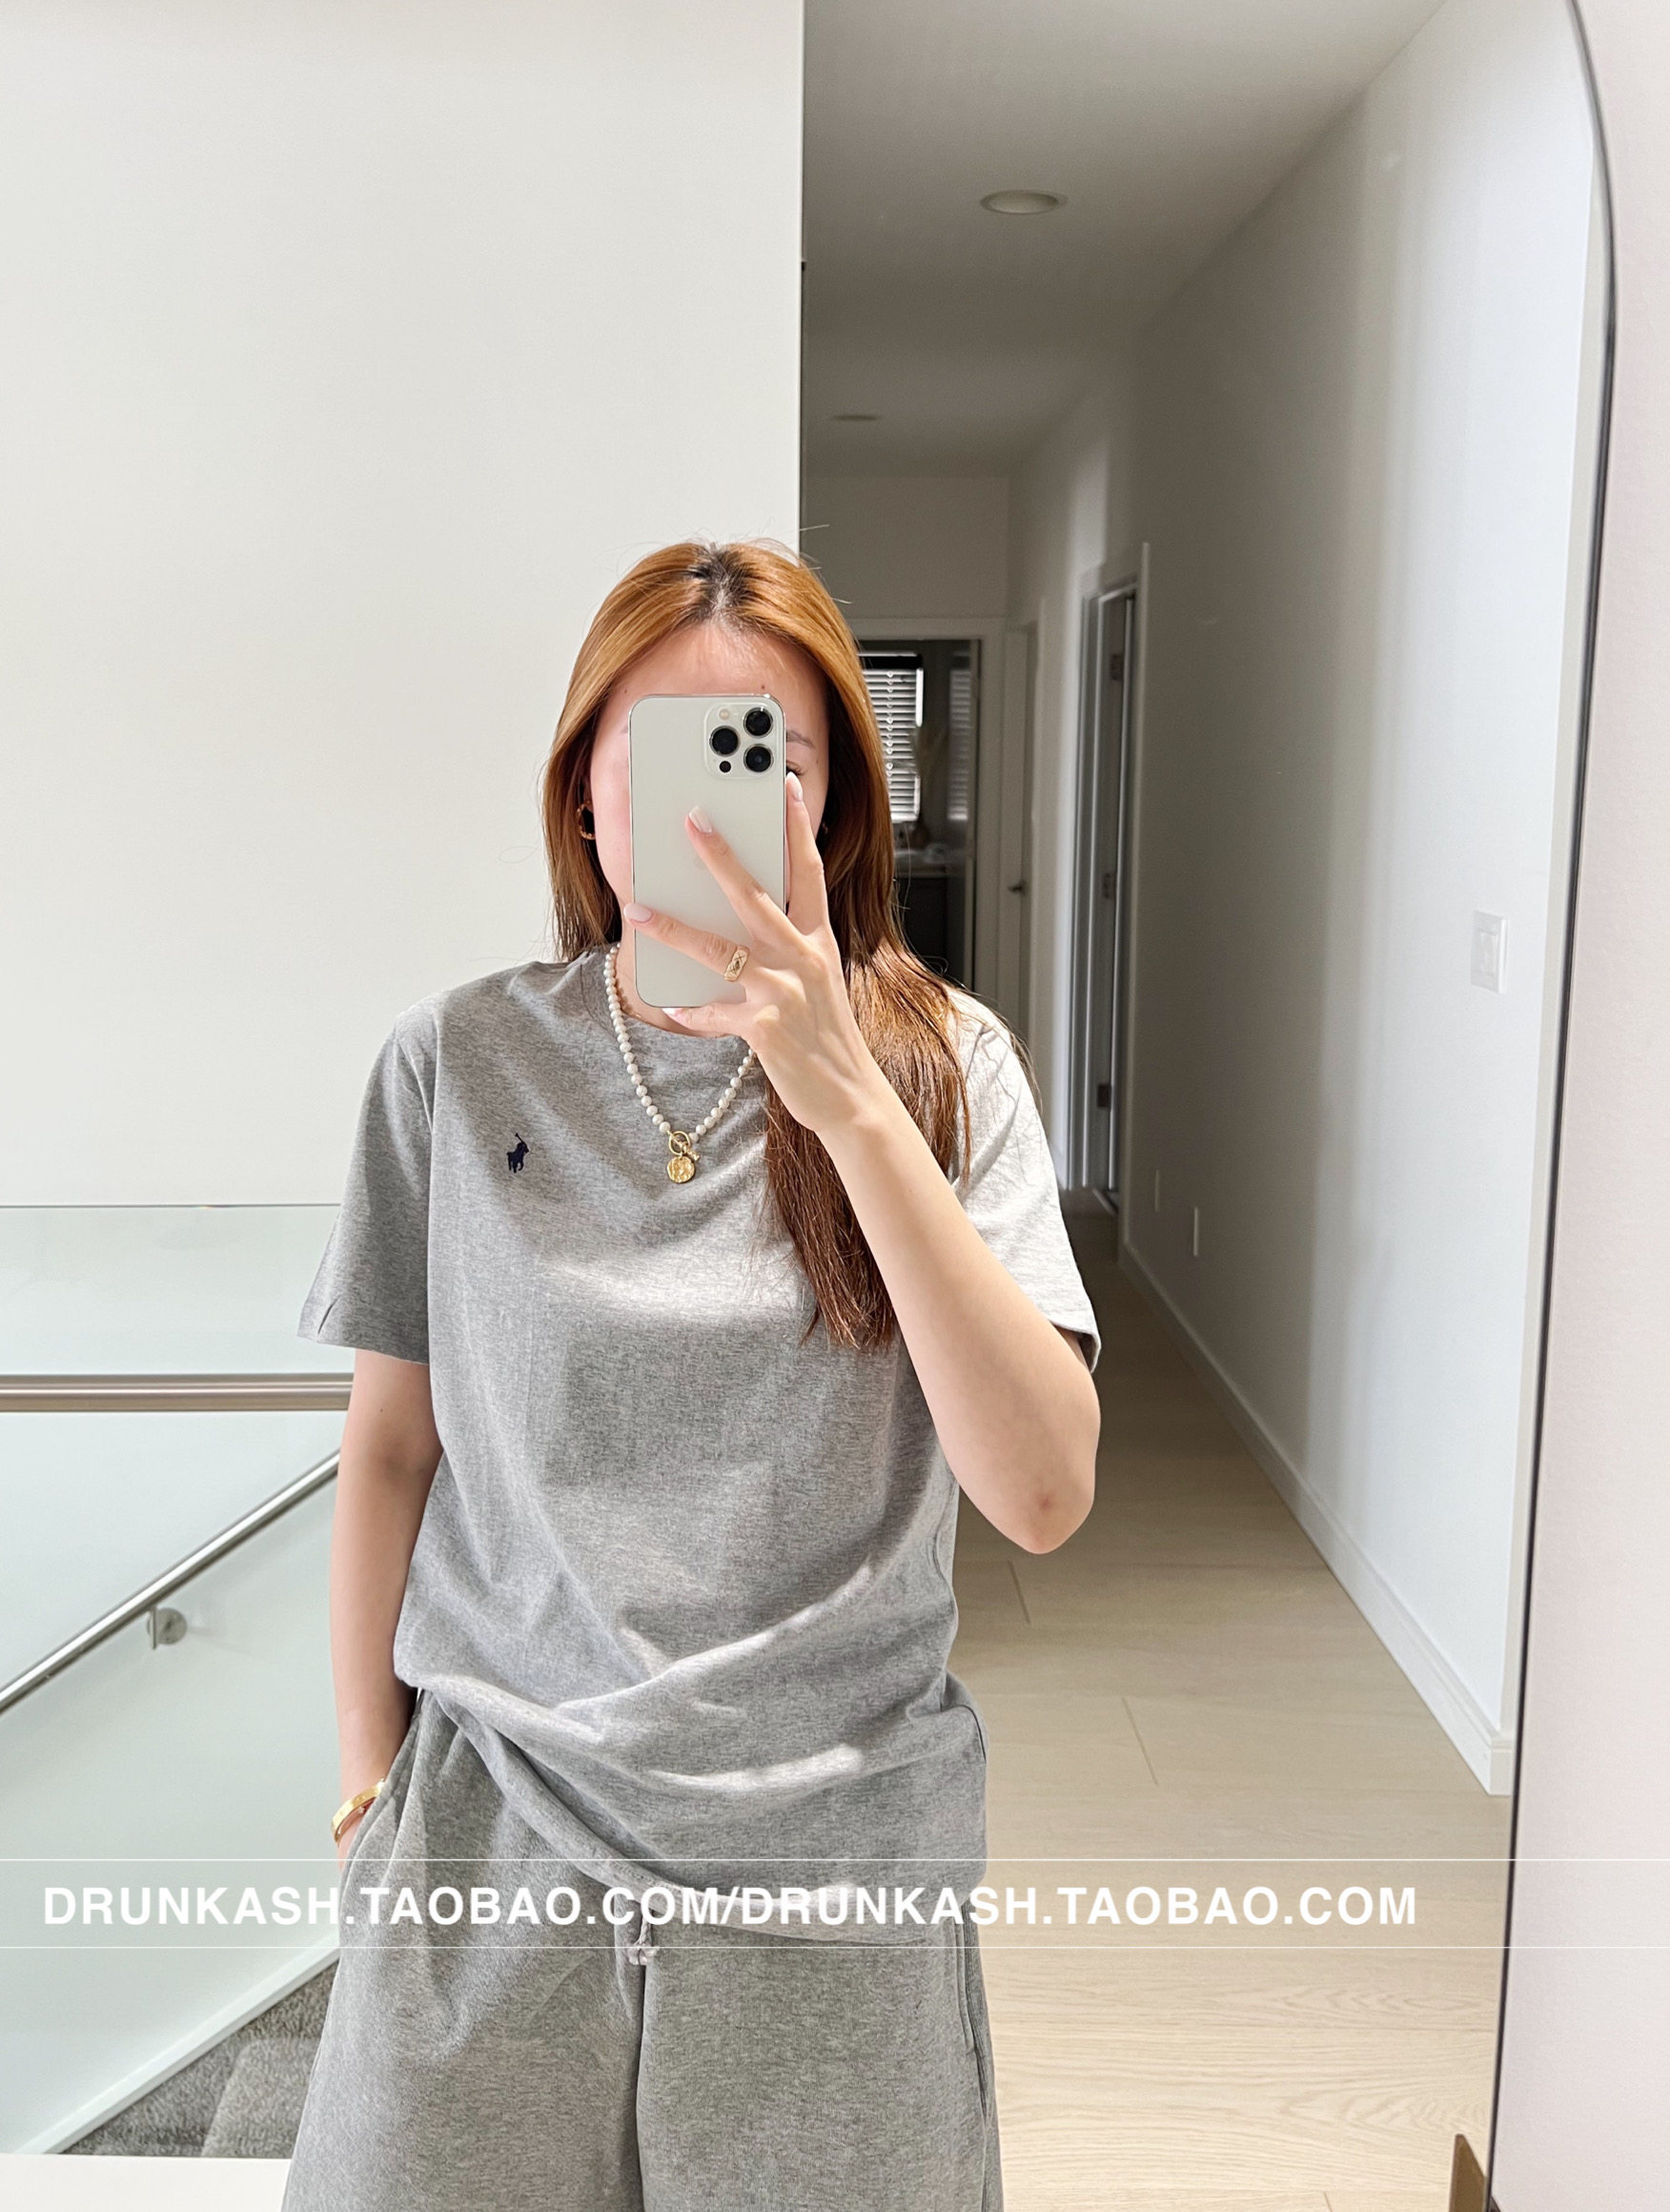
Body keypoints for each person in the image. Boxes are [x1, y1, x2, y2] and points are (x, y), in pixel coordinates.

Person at [280, 539, 1100, 2212]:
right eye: (655, 749)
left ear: (835, 802)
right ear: (584, 790)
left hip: (832, 1876)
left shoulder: (952, 1071)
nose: (706, 805)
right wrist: (369, 1784)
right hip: (491, 1845)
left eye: (761, 755)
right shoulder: (454, 1064)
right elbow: (391, 1449)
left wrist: (845, 1095)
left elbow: (1040, 1492)